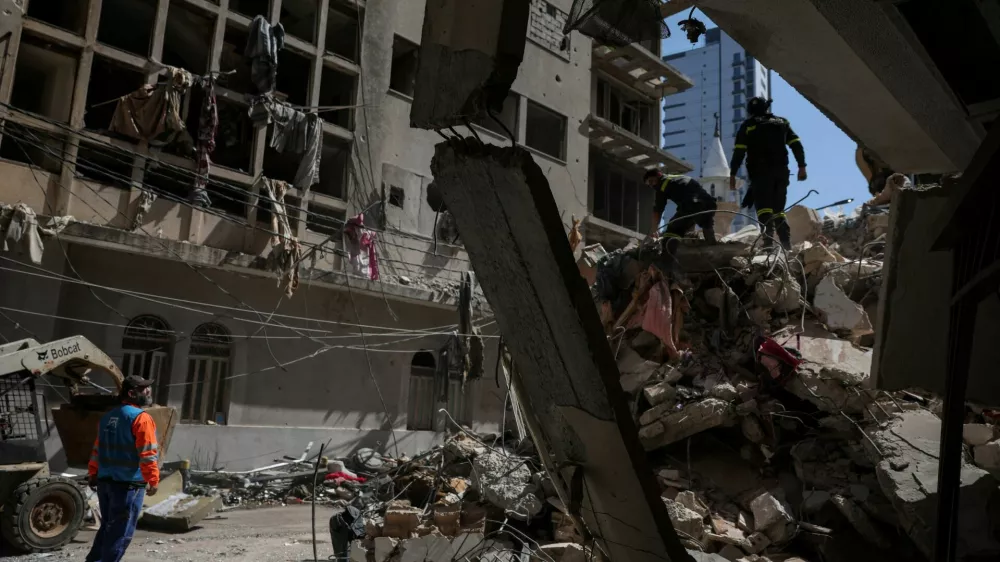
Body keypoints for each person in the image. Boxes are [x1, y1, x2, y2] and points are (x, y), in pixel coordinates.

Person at [86, 376, 159, 562]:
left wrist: (93, 473)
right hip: (128, 486)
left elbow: (97, 449)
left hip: (105, 483)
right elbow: (147, 454)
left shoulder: (107, 417)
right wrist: (153, 480)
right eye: (144, 389)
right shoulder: (142, 419)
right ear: (131, 393)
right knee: (121, 533)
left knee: (107, 527)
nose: (148, 391)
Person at [729, 97, 807, 250]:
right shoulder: (781, 122)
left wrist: (732, 174)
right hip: (781, 173)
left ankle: (768, 243)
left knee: (764, 208)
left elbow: (739, 152)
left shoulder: (748, 125)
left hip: (760, 173)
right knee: (778, 209)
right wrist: (802, 166)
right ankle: (786, 244)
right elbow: (796, 144)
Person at [645, 169, 718, 246]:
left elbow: (657, 211)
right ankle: (710, 243)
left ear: (659, 175)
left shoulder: (662, 186)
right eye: (649, 185)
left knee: (673, 228)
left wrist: (654, 230)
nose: (651, 186)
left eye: (651, 181)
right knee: (702, 222)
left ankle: (668, 251)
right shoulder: (677, 178)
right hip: (710, 203)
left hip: (694, 205)